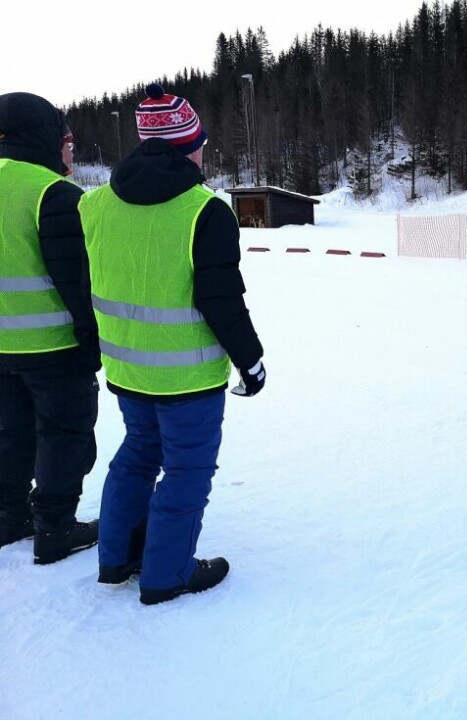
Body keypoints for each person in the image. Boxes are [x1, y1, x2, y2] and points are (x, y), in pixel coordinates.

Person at [79, 83, 266, 605]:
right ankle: (167, 575)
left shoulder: (94, 206)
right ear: (189, 144)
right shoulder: (204, 211)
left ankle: (117, 559)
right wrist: (250, 361)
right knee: (186, 469)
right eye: (200, 141)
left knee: (137, 456)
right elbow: (221, 299)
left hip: (127, 370)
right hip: (188, 377)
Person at [0, 92, 100, 563]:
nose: (70, 149)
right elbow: (78, 282)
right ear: (41, 137)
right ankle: (55, 528)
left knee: (9, 434)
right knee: (64, 435)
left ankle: (9, 516)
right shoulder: (52, 194)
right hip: (52, 347)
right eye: (65, 138)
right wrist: (91, 343)